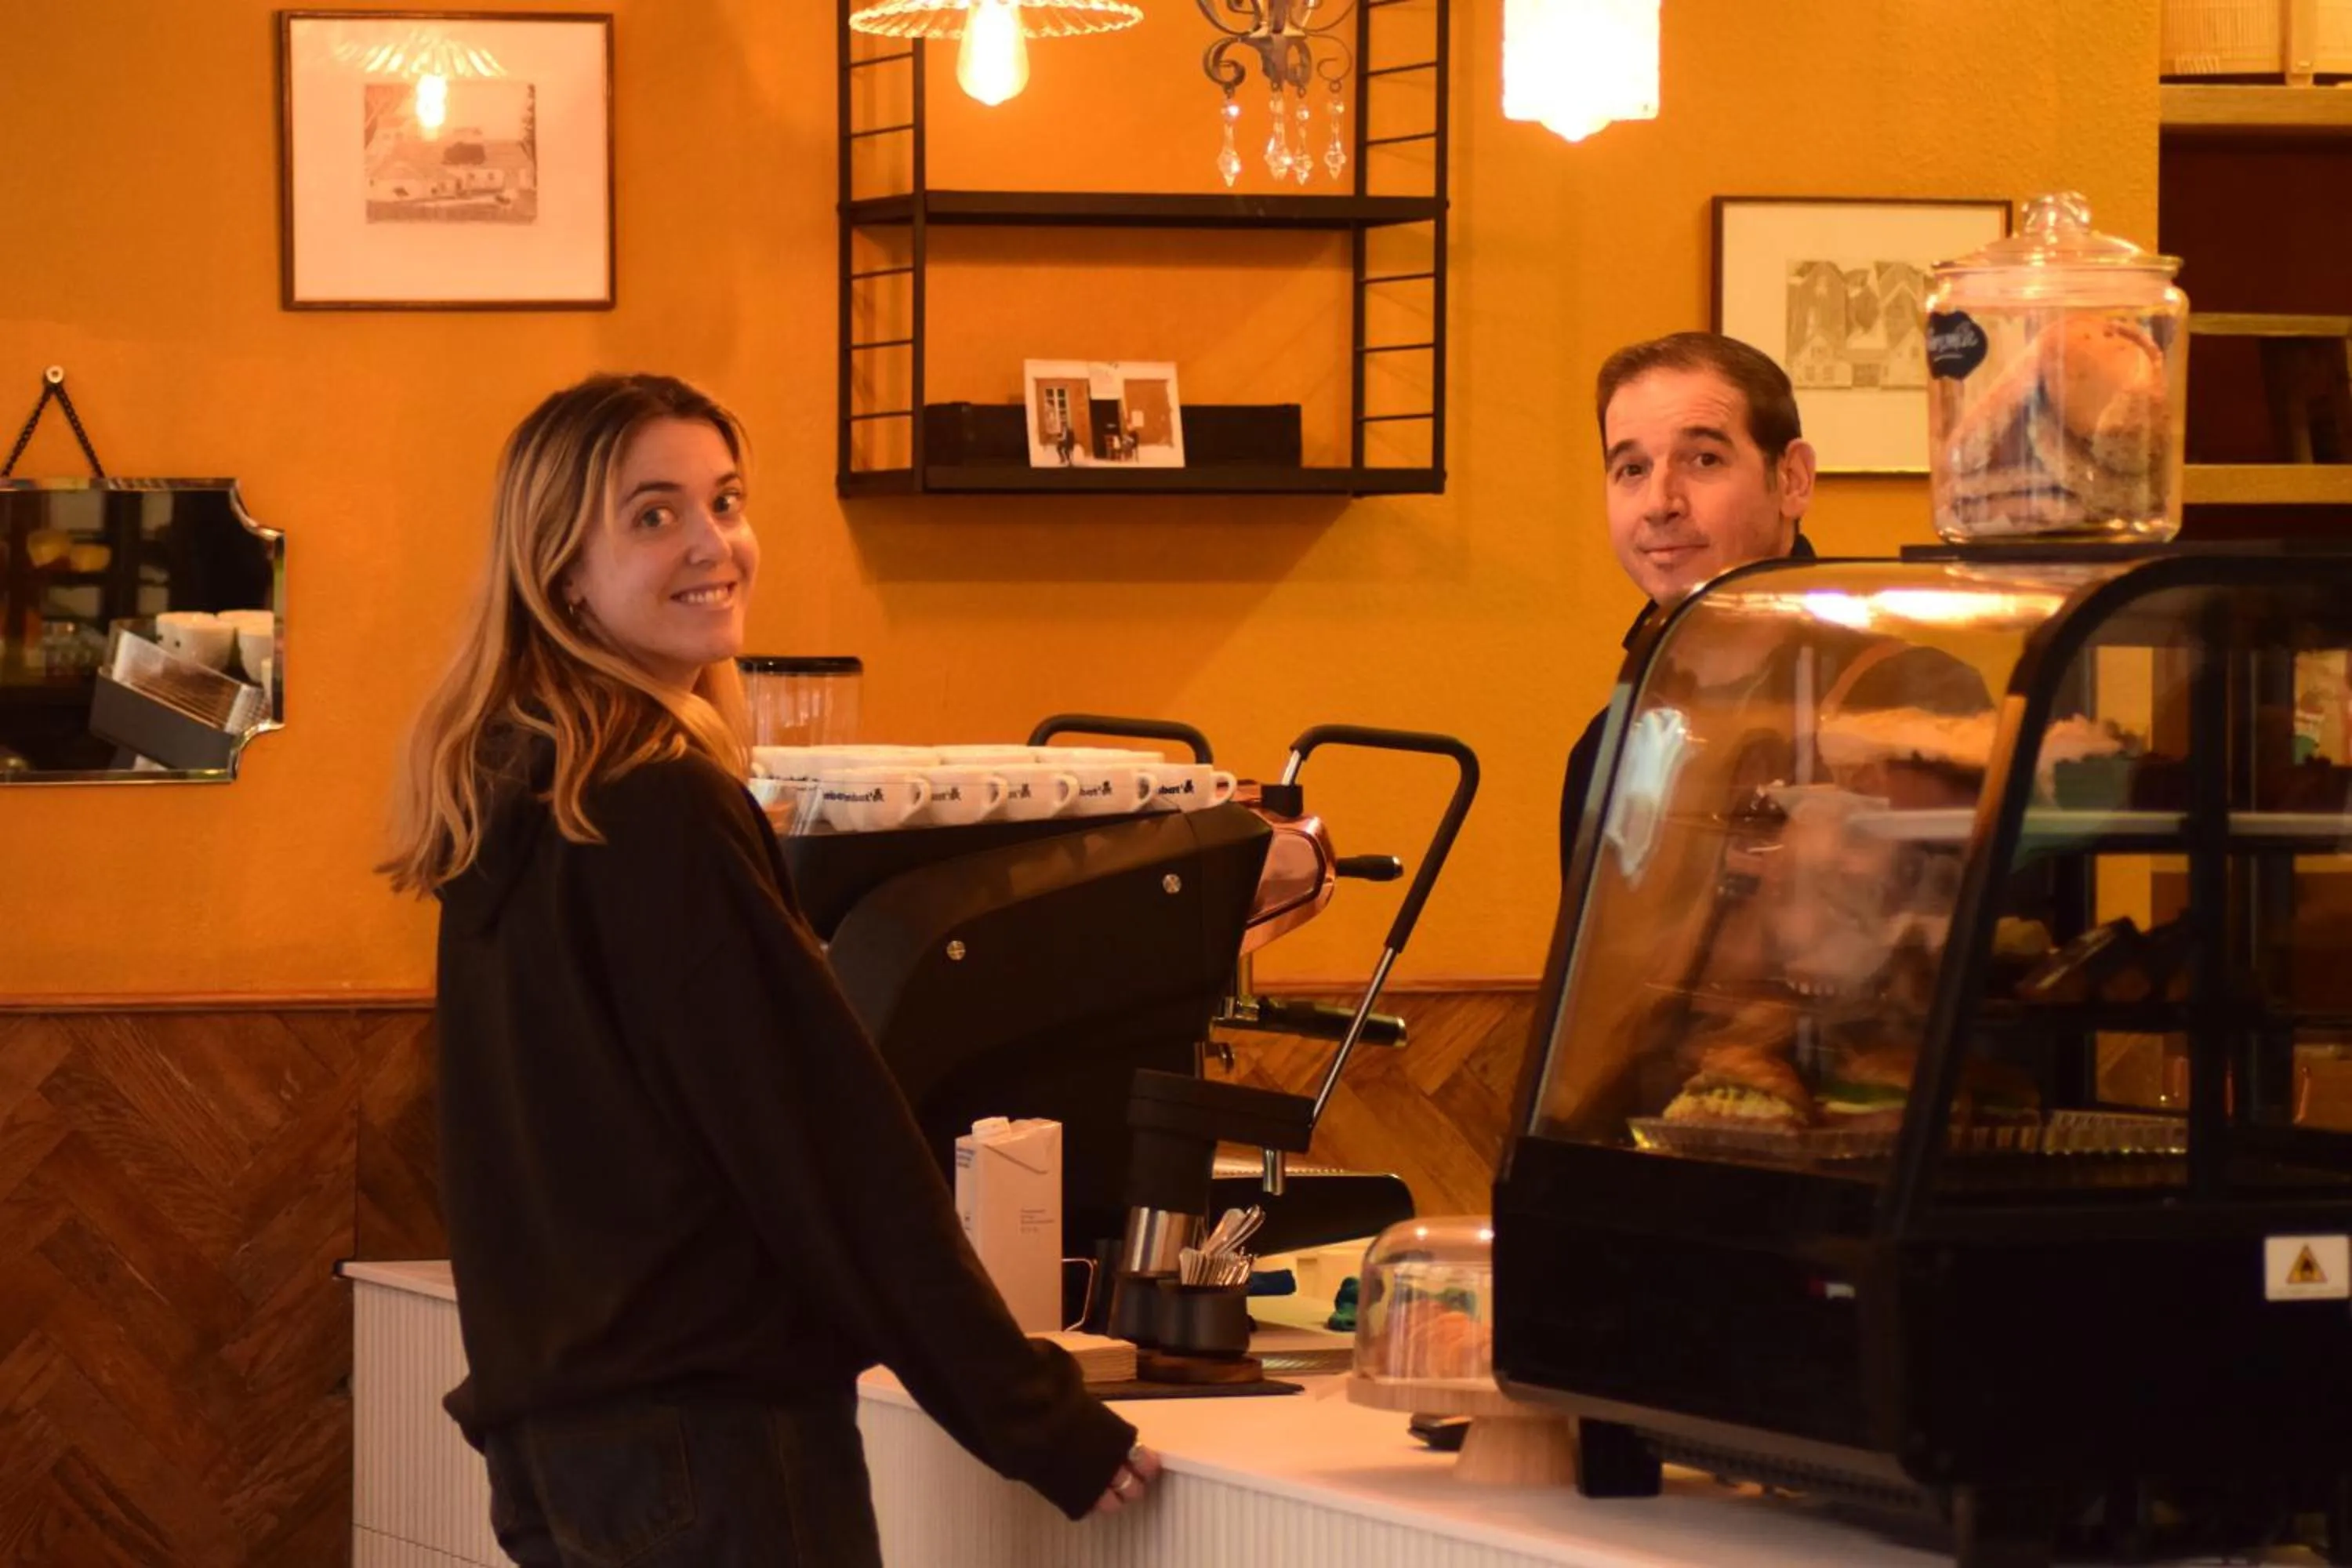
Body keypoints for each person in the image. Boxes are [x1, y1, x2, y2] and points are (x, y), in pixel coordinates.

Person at [381, 372, 1157, 1566]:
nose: (714, 545)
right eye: (653, 514)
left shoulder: (518, 798)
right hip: (711, 1456)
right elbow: (827, 1150)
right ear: (562, 571)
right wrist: (1036, 1418)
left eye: (726, 501)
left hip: (564, 1455)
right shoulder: (659, 806)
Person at [1558, 332, 1987, 880]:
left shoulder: (1919, 704)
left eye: (1704, 459)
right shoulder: (1609, 745)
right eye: (1632, 470)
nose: (1660, 503)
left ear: (1792, 479)